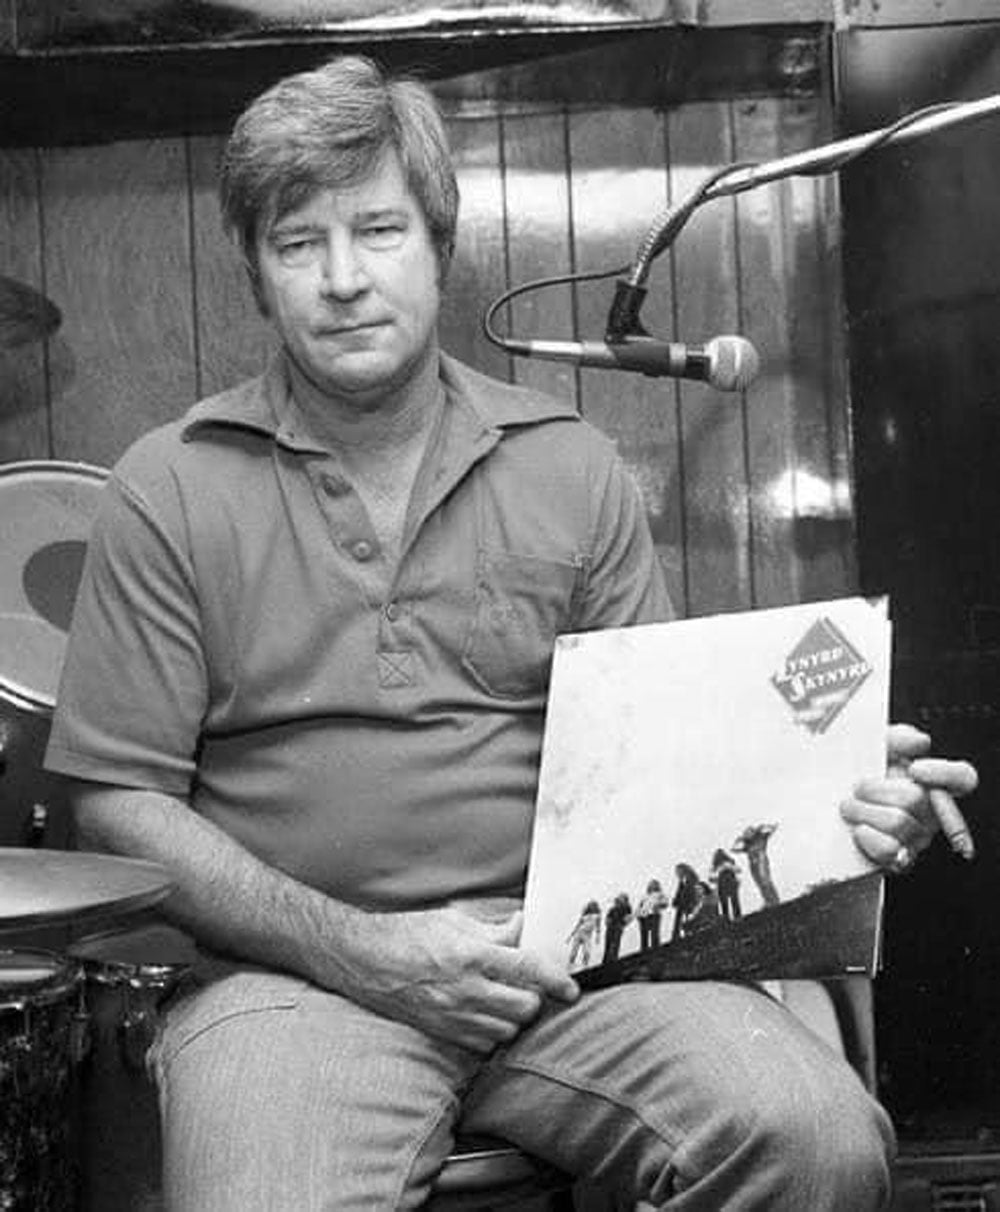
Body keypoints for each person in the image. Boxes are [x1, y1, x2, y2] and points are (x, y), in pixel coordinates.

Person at [43, 55, 979, 1210]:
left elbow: (664, 774)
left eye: (379, 231)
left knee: (816, 1137)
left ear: (440, 245)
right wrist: (363, 952)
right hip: (290, 982)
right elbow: (117, 805)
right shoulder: (167, 486)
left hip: (571, 971)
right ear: (254, 274)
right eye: (299, 244)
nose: (343, 279)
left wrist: (824, 793)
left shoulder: (568, 466)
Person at [635, 877, 669, 950]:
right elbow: (640, 906)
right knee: (644, 934)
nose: (652, 886)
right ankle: (644, 949)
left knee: (654, 933)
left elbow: (665, 903)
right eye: (651, 884)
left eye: (654, 884)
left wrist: (658, 905)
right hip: (644, 916)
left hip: (654, 915)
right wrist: (638, 915)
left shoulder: (660, 894)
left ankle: (655, 947)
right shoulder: (645, 896)